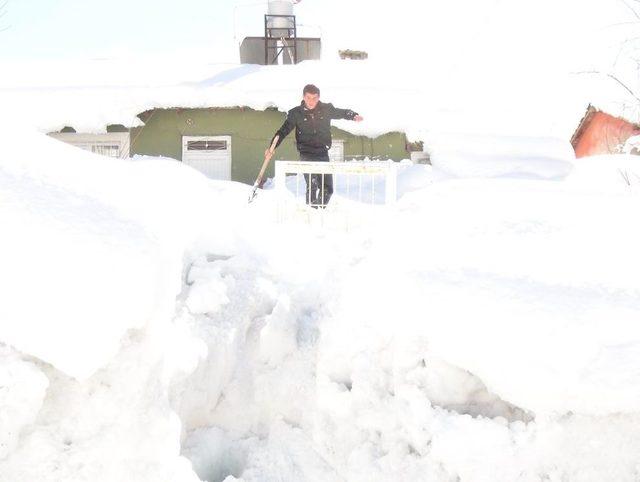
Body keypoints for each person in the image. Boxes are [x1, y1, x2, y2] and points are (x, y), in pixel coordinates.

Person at [265, 84, 363, 208]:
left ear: (319, 97)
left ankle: (317, 211)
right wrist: (271, 148)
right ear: (304, 97)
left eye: (314, 98)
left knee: (328, 189)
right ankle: (311, 211)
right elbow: (282, 132)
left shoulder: (326, 109)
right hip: (306, 153)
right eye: (309, 98)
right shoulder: (296, 113)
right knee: (313, 184)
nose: (311, 101)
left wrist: (353, 115)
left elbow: (341, 112)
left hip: (322, 153)